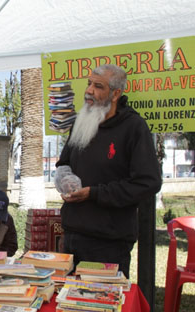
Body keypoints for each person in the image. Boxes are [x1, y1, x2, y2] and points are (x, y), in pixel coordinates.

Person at [55, 64, 162, 278]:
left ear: (116, 94)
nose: (89, 91)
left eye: (98, 86)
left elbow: (148, 182)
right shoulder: (80, 121)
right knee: (66, 306)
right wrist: (64, 178)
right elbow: (63, 163)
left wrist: (94, 193)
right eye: (89, 84)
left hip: (109, 243)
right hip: (72, 235)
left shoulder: (133, 127)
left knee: (99, 308)